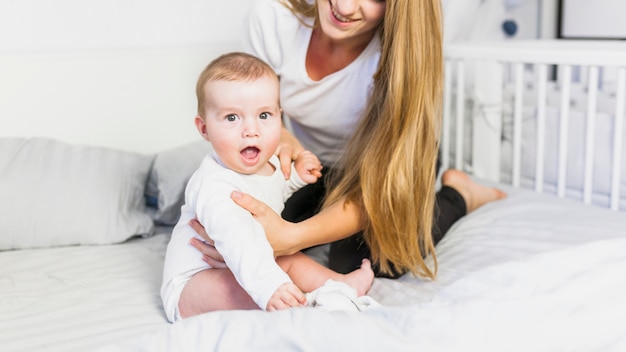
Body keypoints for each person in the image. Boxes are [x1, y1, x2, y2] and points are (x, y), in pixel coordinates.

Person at [188, 0, 506, 315]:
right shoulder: (273, 21)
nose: (344, 6)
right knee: (254, 224)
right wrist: (283, 137)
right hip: (315, 166)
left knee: (371, 261)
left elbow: (377, 193)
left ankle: (459, 194)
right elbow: (256, 106)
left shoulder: (398, 57)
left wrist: (291, 237)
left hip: (385, 171)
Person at [160, 52, 374, 322]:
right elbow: (237, 237)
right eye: (231, 118)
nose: (251, 130)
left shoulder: (269, 164)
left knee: (289, 258)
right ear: (204, 129)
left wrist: (295, 178)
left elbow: (271, 194)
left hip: (249, 262)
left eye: (263, 115)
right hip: (196, 281)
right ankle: (305, 306)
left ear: (279, 117)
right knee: (246, 290)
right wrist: (271, 286)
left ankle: (341, 285)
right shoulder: (212, 184)